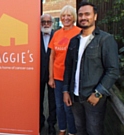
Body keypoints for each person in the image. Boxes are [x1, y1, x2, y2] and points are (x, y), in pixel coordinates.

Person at [63, 2, 119, 135]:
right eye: (81, 14)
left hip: (93, 98)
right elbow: (68, 68)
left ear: (95, 16)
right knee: (80, 129)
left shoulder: (105, 40)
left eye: (87, 14)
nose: (83, 17)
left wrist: (98, 93)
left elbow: (113, 70)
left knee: (94, 131)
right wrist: (65, 90)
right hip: (75, 97)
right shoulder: (74, 40)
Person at [48, 5, 81, 135]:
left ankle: (72, 131)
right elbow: (52, 56)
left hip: (72, 78)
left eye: (69, 15)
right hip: (57, 77)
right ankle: (62, 129)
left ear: (74, 17)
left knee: (69, 107)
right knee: (59, 106)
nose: (66, 18)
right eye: (63, 15)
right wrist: (51, 77)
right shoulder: (56, 34)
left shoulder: (79, 32)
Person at [40, 14, 56, 135]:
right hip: (38, 75)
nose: (46, 24)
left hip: (53, 74)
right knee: (38, 100)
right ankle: (39, 122)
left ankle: (52, 124)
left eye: (48, 22)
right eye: (43, 22)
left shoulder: (57, 35)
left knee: (53, 101)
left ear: (52, 23)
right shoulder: (35, 36)